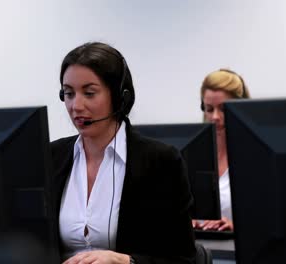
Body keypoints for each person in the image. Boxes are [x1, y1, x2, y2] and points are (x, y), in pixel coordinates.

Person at [51, 42, 196, 264]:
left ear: (120, 97)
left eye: (89, 93)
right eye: (69, 94)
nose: (76, 106)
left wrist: (125, 262)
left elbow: (183, 260)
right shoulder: (51, 157)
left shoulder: (160, 162)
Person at [192, 68, 251, 232]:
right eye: (209, 109)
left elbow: (268, 220)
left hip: (236, 252)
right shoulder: (193, 156)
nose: (215, 117)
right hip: (197, 252)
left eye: (223, 109)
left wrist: (235, 227)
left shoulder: (253, 158)